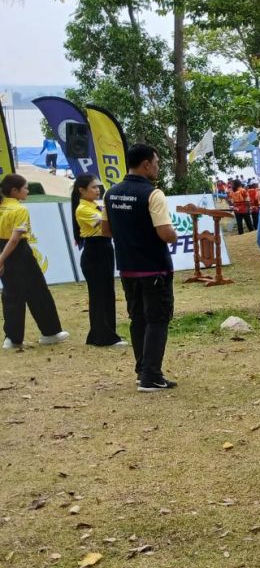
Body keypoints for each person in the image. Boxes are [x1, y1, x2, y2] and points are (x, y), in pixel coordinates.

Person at [102, 145, 177, 390]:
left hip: (127, 267)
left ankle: (142, 370)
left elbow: (106, 230)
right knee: (158, 320)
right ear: (146, 164)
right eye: (157, 162)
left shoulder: (110, 193)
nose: (158, 167)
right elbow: (165, 233)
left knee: (138, 319)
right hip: (154, 267)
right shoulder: (153, 194)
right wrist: (174, 234)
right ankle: (151, 375)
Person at [0, 174, 69, 349]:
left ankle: (12, 338)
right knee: (38, 291)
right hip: (19, 253)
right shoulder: (19, 209)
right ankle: (50, 332)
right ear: (14, 191)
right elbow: (14, 239)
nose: (28, 191)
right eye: (25, 188)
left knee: (11, 294)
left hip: (2, 250)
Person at [72, 175, 125, 347]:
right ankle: (104, 337)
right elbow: (106, 224)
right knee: (100, 295)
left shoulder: (95, 205)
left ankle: (99, 334)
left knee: (106, 293)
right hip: (95, 252)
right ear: (81, 190)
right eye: (93, 187)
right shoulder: (83, 209)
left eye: (98, 187)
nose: (98, 190)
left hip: (104, 249)